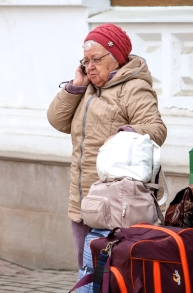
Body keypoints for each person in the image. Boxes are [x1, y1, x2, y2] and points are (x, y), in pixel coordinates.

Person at [47, 23, 167, 269]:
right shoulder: (87, 89)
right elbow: (57, 121)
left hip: (116, 204)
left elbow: (157, 129)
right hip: (82, 201)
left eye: (96, 60)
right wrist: (75, 87)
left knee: (113, 278)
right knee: (86, 275)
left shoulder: (132, 88)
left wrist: (126, 134)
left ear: (116, 59)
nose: (89, 66)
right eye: (85, 60)